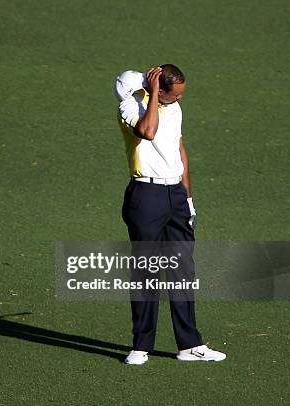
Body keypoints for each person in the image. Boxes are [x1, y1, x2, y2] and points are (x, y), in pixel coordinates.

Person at [114, 65, 226, 365]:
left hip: (175, 195)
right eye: (173, 94)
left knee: (182, 270)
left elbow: (180, 151)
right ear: (156, 89)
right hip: (145, 196)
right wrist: (151, 98)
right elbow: (147, 132)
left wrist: (187, 198)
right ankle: (141, 346)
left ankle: (189, 345)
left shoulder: (174, 108)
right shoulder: (129, 106)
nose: (178, 99)